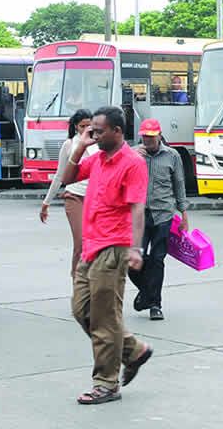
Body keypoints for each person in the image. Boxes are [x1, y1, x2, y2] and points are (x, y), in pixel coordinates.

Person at [56, 106, 155, 405]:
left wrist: (136, 249)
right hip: (91, 245)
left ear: (117, 131)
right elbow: (67, 178)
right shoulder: (97, 158)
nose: (94, 135)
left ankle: (106, 383)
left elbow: (137, 207)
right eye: (92, 131)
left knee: (104, 319)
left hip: (114, 247)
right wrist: (80, 146)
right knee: (80, 310)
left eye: (99, 131)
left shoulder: (132, 163)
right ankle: (132, 350)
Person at [129, 119, 188, 321]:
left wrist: (184, 215)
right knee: (134, 261)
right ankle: (147, 292)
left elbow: (179, 185)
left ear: (160, 135)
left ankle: (155, 304)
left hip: (163, 214)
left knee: (157, 259)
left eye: (151, 137)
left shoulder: (172, 156)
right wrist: (131, 157)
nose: (148, 140)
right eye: (145, 136)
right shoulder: (132, 154)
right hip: (139, 214)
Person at [41, 109, 98, 276]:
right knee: (80, 242)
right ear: (75, 127)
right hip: (74, 196)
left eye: (90, 125)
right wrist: (46, 203)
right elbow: (59, 176)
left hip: (96, 197)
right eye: (82, 126)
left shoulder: (98, 143)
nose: (86, 129)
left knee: (95, 243)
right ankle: (77, 279)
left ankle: (92, 280)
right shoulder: (69, 145)